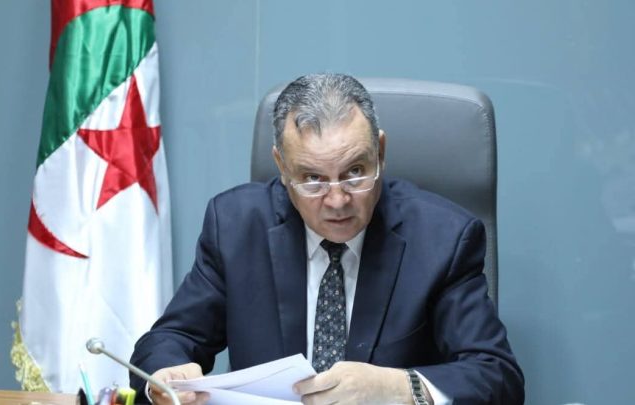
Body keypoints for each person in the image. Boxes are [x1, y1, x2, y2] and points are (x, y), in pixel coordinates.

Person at [130, 73, 524, 404]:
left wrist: (400, 388)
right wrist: (166, 376)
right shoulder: (236, 226)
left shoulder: (443, 238)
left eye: (355, 172)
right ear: (282, 167)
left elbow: (497, 377)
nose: (337, 201)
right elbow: (171, 339)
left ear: (380, 152)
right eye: (312, 179)